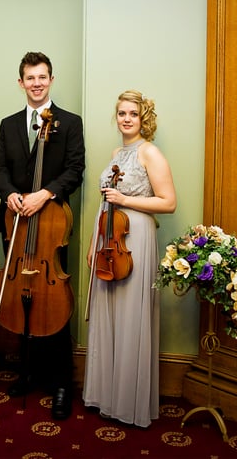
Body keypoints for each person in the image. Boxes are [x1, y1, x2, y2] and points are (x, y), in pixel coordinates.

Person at [0, 51, 85, 420]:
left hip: (51, 226)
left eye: (42, 77)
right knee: (21, 298)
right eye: (30, 78)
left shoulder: (70, 122)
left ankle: (60, 382)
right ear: (21, 83)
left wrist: (44, 194)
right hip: (15, 223)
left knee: (53, 302)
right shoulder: (8, 124)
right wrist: (9, 195)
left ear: (51, 80)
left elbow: (75, 169)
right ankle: (28, 372)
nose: (36, 83)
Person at [82, 89, 176, 428]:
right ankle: (107, 395)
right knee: (109, 312)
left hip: (135, 237)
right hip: (109, 237)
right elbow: (106, 201)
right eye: (122, 113)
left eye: (133, 114)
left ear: (143, 119)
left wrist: (125, 199)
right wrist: (94, 243)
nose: (126, 119)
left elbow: (168, 202)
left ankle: (128, 402)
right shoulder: (116, 153)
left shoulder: (150, 152)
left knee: (131, 314)